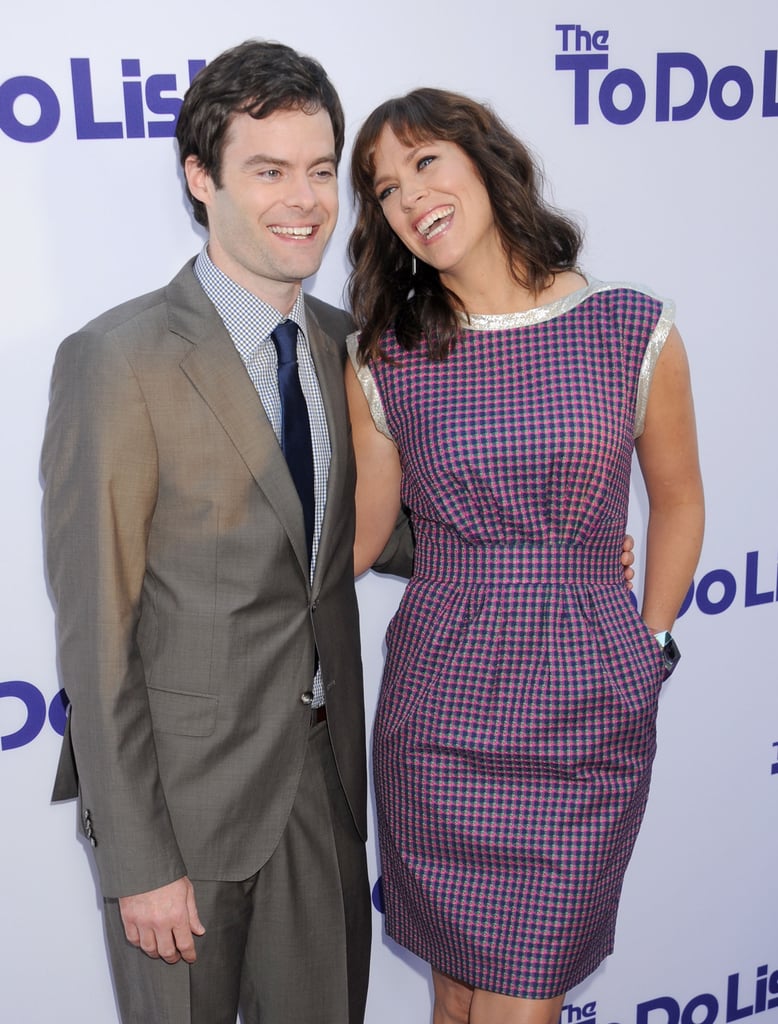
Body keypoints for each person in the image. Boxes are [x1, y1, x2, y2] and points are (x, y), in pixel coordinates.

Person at [344, 88, 704, 1024]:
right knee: (457, 1002)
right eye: (384, 188)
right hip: (439, 716)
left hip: (585, 715)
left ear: (484, 158)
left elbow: (679, 500)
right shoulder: (384, 357)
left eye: (424, 162)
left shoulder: (631, 327)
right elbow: (363, 538)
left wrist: (650, 648)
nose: (409, 196)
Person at [41, 39, 378, 1024]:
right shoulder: (119, 359)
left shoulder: (346, 343)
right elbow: (96, 632)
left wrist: (545, 538)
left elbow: (371, 533)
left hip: (321, 795)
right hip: (180, 816)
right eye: (267, 170)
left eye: (319, 170)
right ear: (201, 178)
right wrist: (139, 861)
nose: (303, 199)